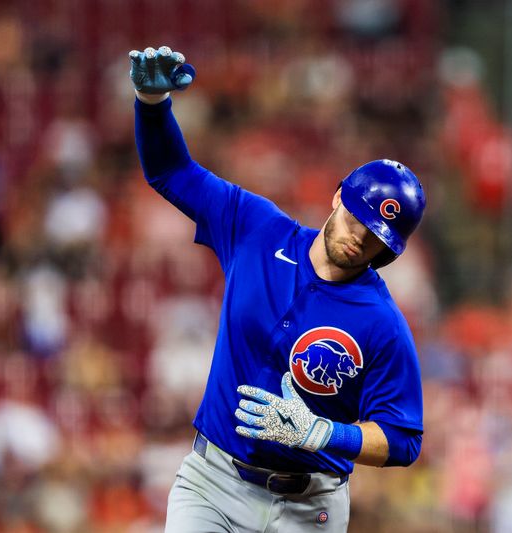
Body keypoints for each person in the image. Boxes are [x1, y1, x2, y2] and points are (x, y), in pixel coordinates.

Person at [128, 46, 426, 532]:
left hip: (312, 506)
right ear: (337, 198)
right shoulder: (258, 229)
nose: (358, 238)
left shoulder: (382, 323)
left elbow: (403, 440)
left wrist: (325, 432)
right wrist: (151, 103)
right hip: (213, 484)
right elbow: (172, 172)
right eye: (356, 220)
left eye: (376, 236)